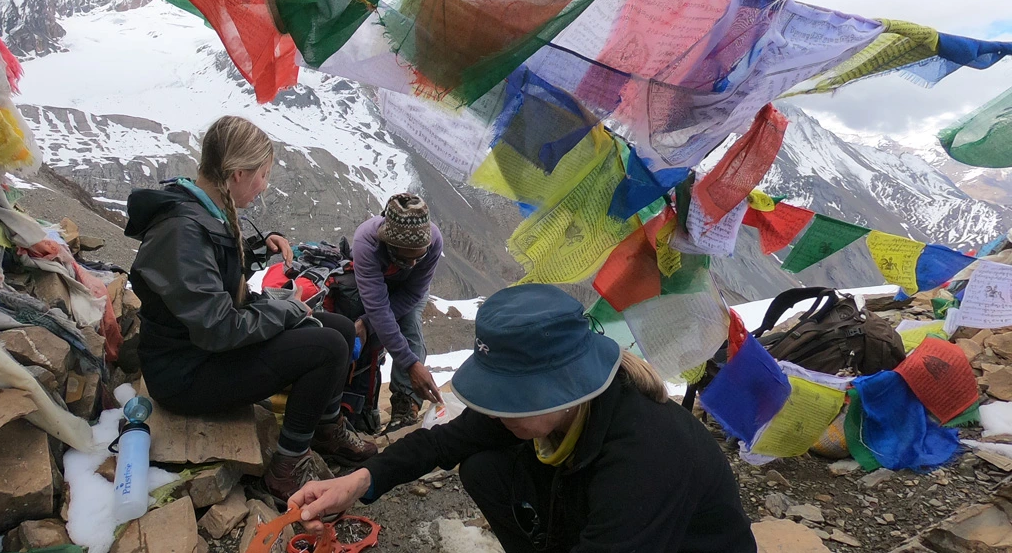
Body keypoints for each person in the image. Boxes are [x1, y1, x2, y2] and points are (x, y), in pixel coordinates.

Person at [289, 284, 757, 553]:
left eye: (512, 397)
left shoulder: (643, 460)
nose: (497, 409)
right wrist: (357, 482)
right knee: (484, 466)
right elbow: (442, 442)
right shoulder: (548, 410)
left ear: (565, 386)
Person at [124, 116, 376, 500]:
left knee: (339, 328)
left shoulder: (200, 209)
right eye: (262, 175)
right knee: (328, 349)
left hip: (199, 352)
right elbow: (219, 327)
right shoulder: (181, 233)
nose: (264, 186)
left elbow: (214, 285)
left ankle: (327, 431)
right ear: (238, 174)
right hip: (184, 374)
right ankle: (286, 472)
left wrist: (262, 259)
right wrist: (287, 311)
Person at [350, 193, 444, 431]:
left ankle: (406, 403)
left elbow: (413, 294)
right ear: (389, 244)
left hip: (410, 289)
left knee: (410, 322)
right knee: (366, 330)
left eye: (418, 257)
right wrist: (371, 321)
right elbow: (378, 306)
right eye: (405, 257)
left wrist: (367, 323)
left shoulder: (433, 240)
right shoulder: (367, 243)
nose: (412, 265)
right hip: (375, 284)